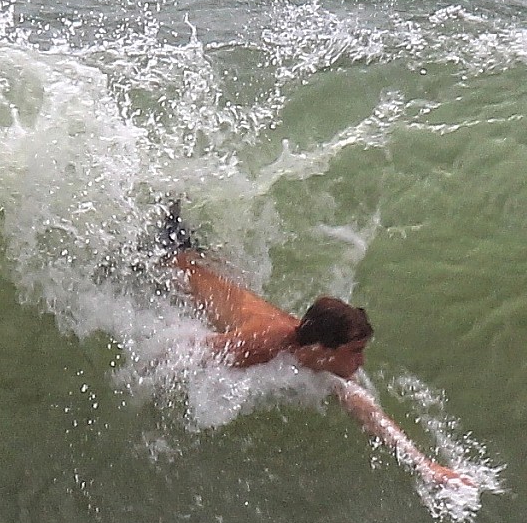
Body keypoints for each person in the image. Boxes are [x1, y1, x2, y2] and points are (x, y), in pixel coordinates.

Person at [148, 202, 471, 490]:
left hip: (203, 271)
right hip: (170, 271)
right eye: (354, 351)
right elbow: (193, 348)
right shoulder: (262, 345)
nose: (360, 361)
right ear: (323, 348)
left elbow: (366, 410)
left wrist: (427, 467)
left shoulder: (320, 356)